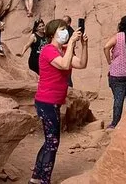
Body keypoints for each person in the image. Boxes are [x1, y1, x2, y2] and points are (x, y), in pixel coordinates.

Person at [31, 19, 88, 184]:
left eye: (66, 29)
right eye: (62, 29)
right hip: (46, 101)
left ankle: (35, 178)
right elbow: (64, 65)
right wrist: (71, 44)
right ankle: (43, 180)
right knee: (53, 142)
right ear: (52, 33)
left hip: (54, 102)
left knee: (50, 141)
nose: (65, 32)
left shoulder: (63, 50)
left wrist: (84, 46)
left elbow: (81, 64)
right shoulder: (48, 50)